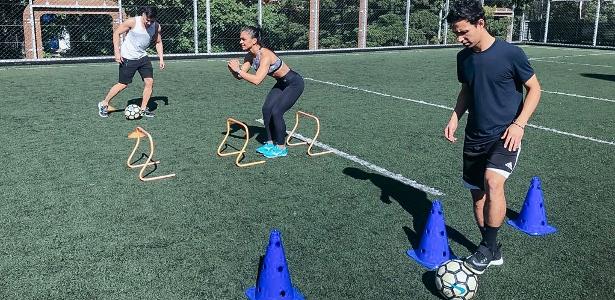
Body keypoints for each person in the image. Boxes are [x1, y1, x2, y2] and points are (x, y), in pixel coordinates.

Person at [443, 0, 541, 274]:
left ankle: (486, 248)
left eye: (463, 32)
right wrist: (454, 116)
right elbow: (466, 90)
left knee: (492, 182)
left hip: (505, 134)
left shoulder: (510, 53)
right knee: (477, 197)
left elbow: (535, 89)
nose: (460, 39)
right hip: (475, 136)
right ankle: (492, 249)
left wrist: (519, 125)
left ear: (480, 24)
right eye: (456, 34)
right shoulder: (463, 58)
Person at [227, 26, 304, 158]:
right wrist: (233, 70)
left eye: (243, 39)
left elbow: (257, 80)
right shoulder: (250, 56)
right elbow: (240, 76)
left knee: (277, 112)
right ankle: (269, 143)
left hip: (294, 83)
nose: (240, 42)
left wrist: (238, 70)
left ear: (254, 40)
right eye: (240, 39)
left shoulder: (265, 55)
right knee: (267, 109)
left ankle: (281, 147)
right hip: (281, 83)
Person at [98, 6, 164, 118]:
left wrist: (161, 58)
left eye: (151, 21)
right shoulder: (132, 22)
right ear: (143, 14)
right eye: (147, 20)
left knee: (149, 82)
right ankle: (104, 103)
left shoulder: (156, 26)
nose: (149, 23)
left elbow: (158, 42)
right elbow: (116, 33)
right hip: (128, 57)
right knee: (123, 84)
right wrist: (117, 52)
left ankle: (143, 109)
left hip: (143, 57)